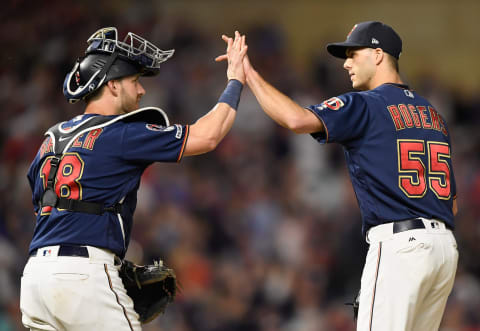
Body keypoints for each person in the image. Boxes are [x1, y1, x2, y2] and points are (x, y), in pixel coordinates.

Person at [218, 21, 459, 330]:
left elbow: (295, 119)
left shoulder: (365, 104)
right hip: (444, 250)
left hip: (401, 247)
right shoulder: (433, 115)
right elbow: (452, 205)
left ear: (378, 54)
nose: (346, 63)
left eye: (353, 54)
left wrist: (248, 74)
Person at [21, 27, 247, 331]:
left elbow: (45, 206)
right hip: (83, 277)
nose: (141, 91)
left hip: (35, 280)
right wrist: (235, 80)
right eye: (135, 81)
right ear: (112, 85)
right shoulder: (119, 132)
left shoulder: (50, 139)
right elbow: (208, 136)